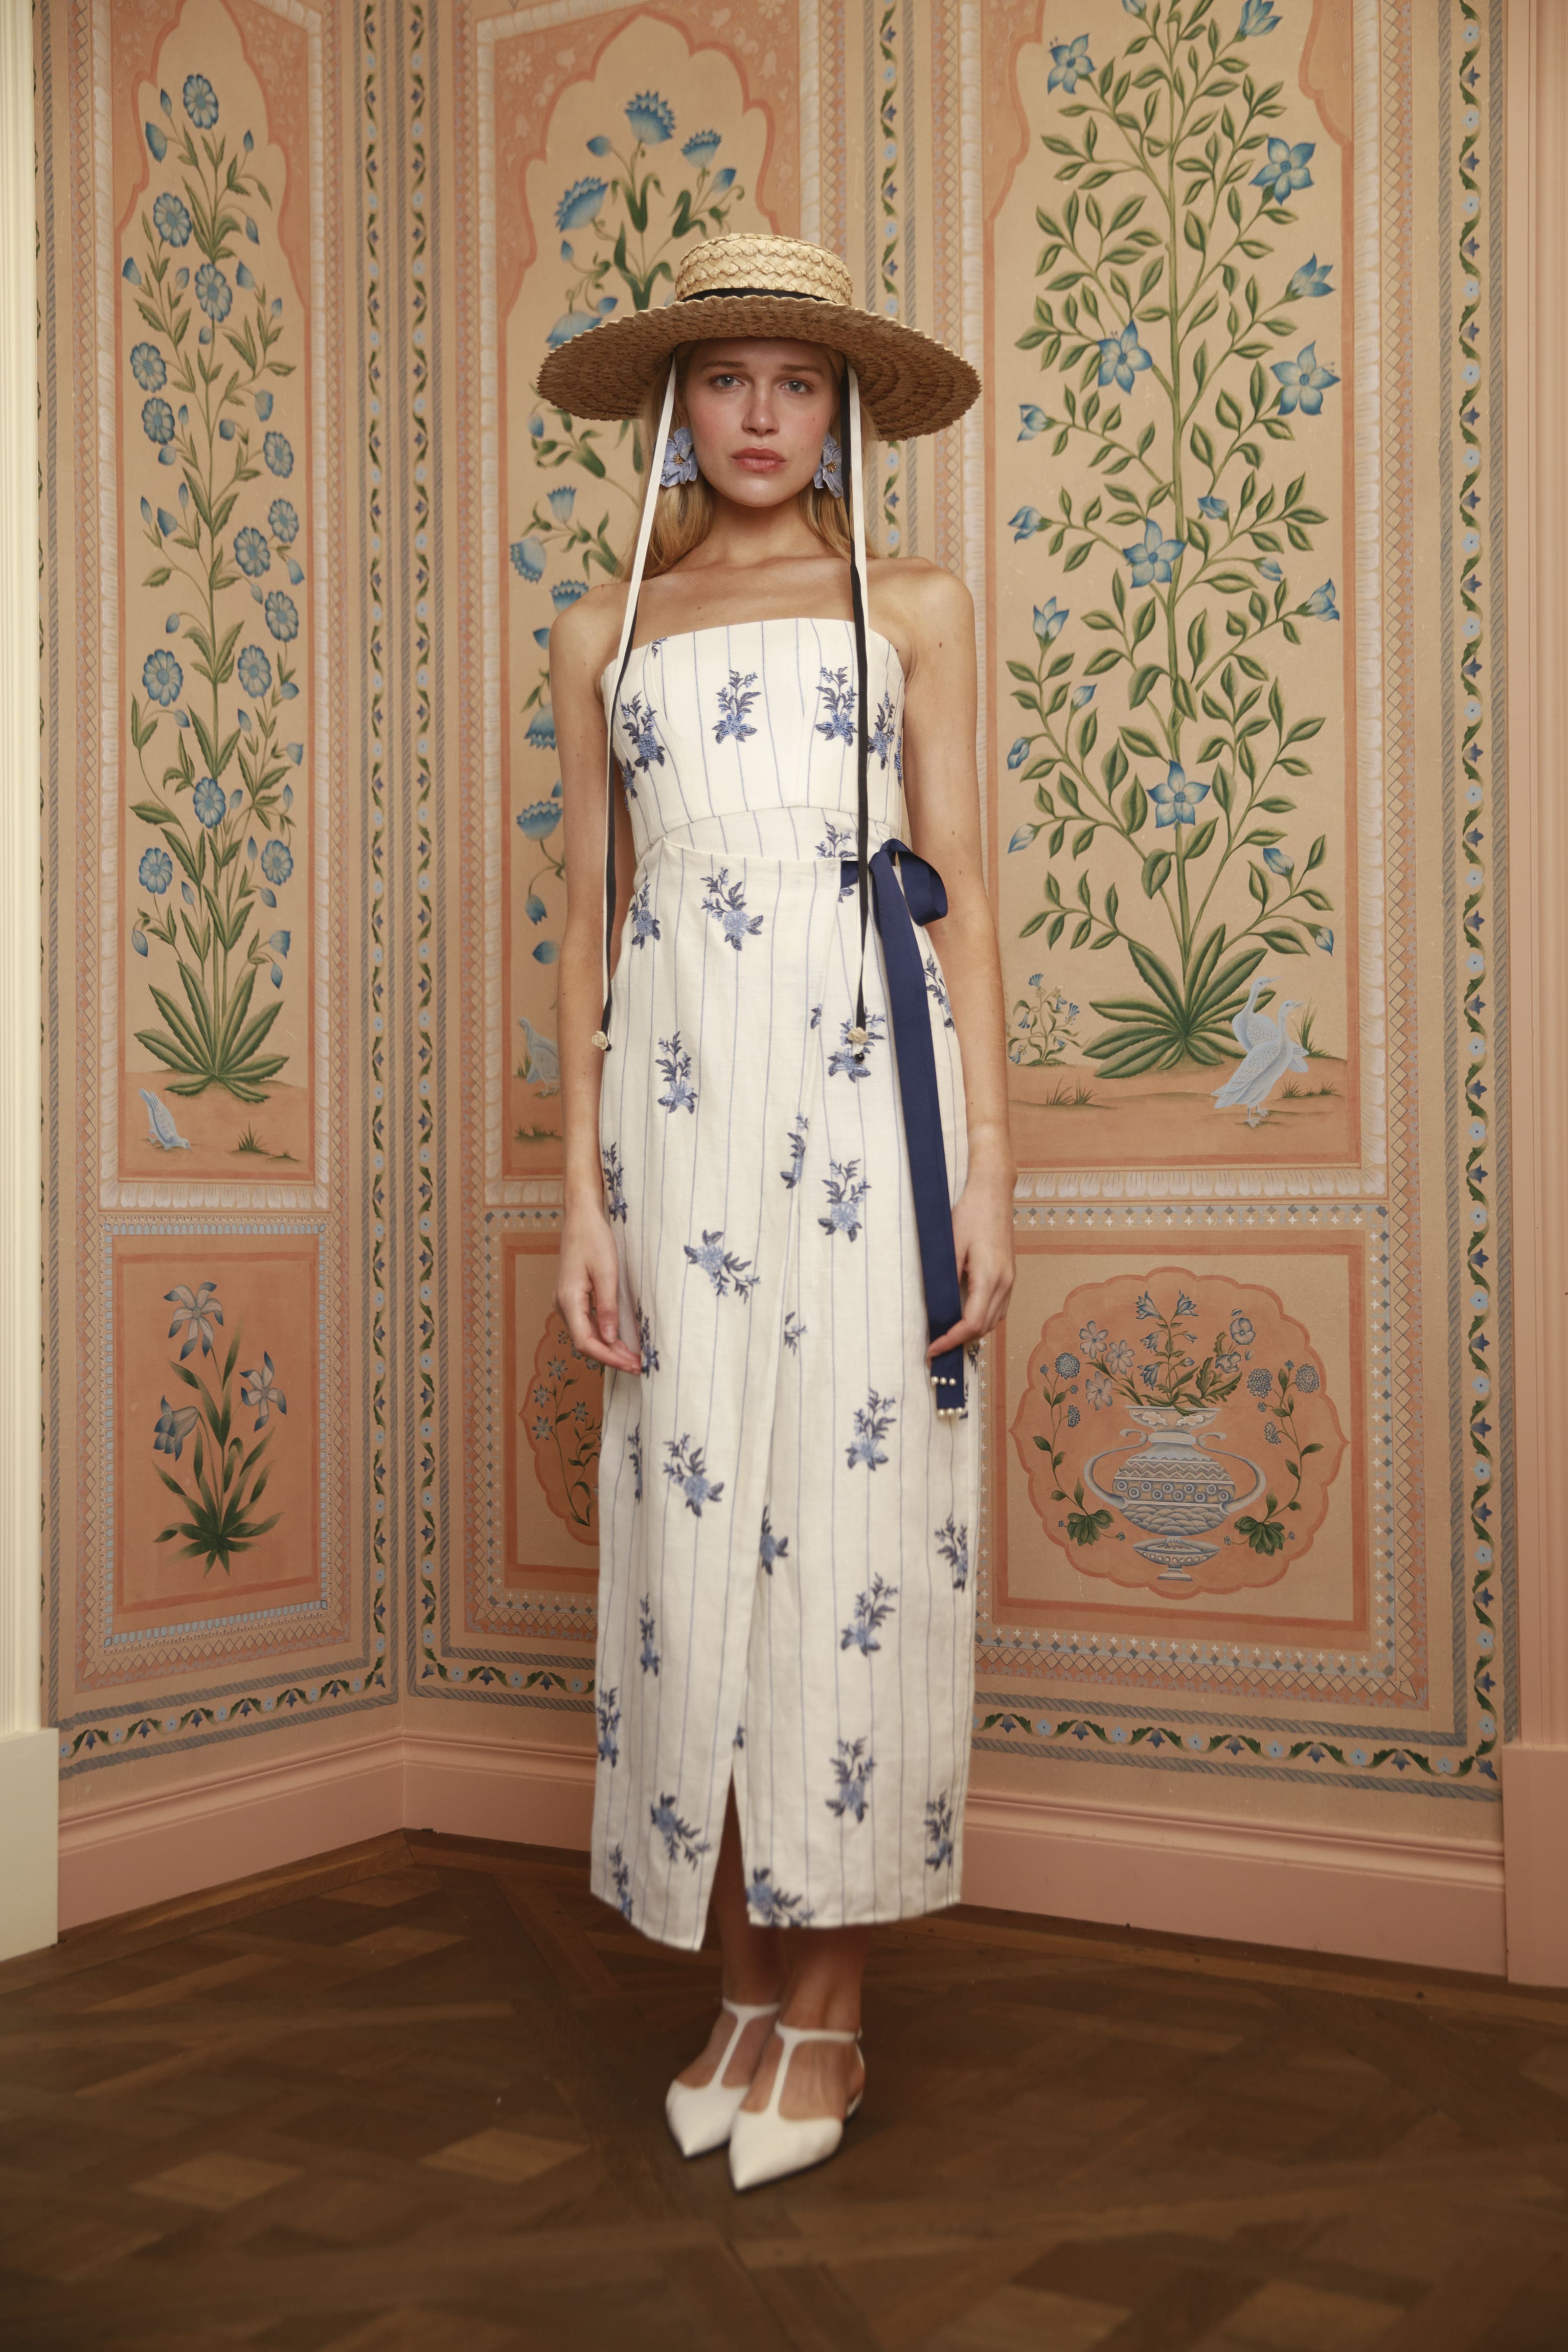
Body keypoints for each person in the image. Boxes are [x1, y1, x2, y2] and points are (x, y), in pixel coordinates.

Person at [540, 233, 1014, 2190]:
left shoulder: (916, 605)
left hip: (872, 1113)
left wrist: (991, 1176)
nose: (760, 415)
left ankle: (829, 2006)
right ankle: (735, 1988)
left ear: (842, 412)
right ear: (675, 407)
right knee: (690, 1545)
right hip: (673, 1122)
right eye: (725, 379)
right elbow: (587, 925)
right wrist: (578, 1202)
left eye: (796, 382)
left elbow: (963, 897)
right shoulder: (603, 630)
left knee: (853, 1539)